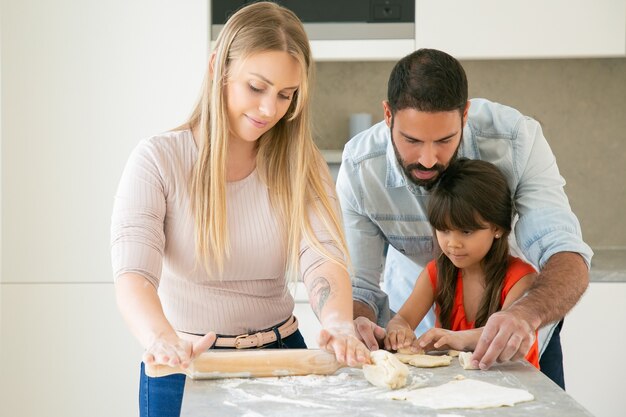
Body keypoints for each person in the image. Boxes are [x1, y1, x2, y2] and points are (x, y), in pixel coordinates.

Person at [111, 3, 369, 417]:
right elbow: (134, 276)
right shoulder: (158, 160)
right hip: (183, 363)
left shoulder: (301, 163)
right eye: (256, 87)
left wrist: (338, 320)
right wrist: (161, 338)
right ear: (219, 67)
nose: (270, 109)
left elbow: (322, 254)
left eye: (286, 95)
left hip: (284, 360)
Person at [336, 48, 593, 389]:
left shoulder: (516, 140)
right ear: (387, 115)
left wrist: (523, 315)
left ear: (465, 114)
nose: (428, 159)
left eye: (445, 140)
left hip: (516, 332)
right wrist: (359, 325)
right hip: (415, 338)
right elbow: (360, 288)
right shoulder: (360, 166)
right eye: (411, 140)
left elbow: (565, 253)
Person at [384, 158, 540, 369]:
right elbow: (403, 319)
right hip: (458, 387)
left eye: (466, 231)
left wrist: (457, 338)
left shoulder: (522, 278)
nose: (453, 243)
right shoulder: (435, 273)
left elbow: (505, 333)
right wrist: (398, 330)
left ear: (497, 228)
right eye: (444, 230)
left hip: (517, 385)